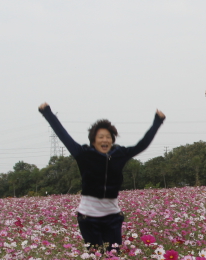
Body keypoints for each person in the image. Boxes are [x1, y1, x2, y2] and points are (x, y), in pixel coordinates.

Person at [39, 103, 165, 251]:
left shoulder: (120, 154)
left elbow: (142, 145)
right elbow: (63, 135)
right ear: (93, 140)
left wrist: (158, 121)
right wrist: (47, 113)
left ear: (112, 140)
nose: (104, 140)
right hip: (88, 217)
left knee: (114, 259)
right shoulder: (83, 154)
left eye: (108, 137)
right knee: (97, 259)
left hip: (112, 216)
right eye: (101, 137)